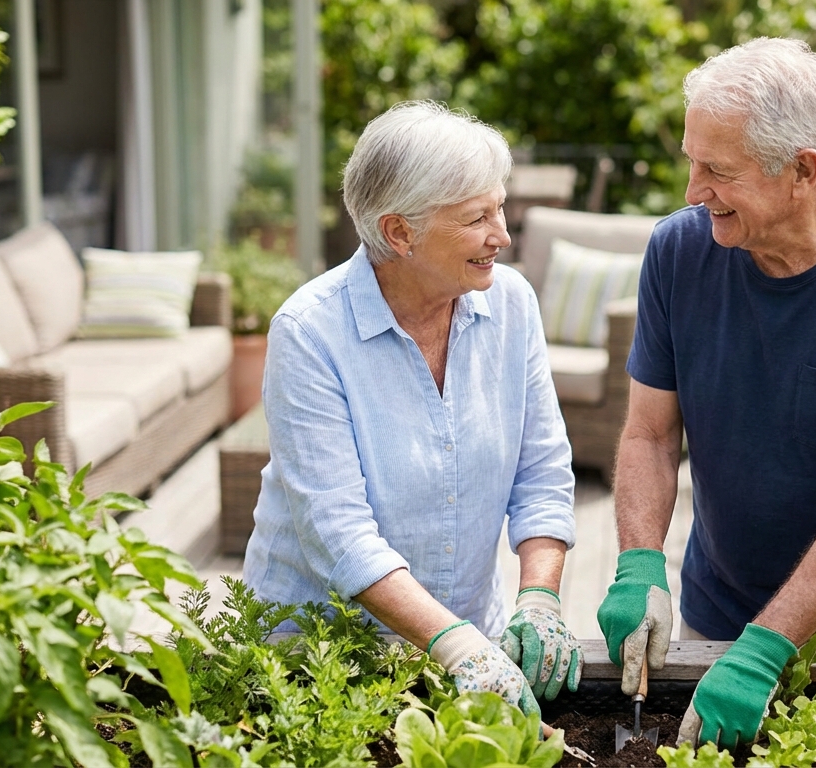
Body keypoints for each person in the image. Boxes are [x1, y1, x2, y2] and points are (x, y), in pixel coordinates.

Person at [596, 38, 816, 749]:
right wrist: (641, 562)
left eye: (717, 171)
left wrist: (767, 649)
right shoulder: (678, 251)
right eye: (691, 161)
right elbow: (650, 434)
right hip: (714, 610)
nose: (693, 191)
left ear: (803, 170)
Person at [243, 101, 582, 715]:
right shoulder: (310, 332)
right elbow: (338, 533)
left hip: (472, 647)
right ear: (400, 233)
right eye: (478, 217)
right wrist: (453, 644)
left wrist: (538, 599)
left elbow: (542, 473)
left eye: (500, 208)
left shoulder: (511, 304)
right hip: (319, 655)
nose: (502, 236)